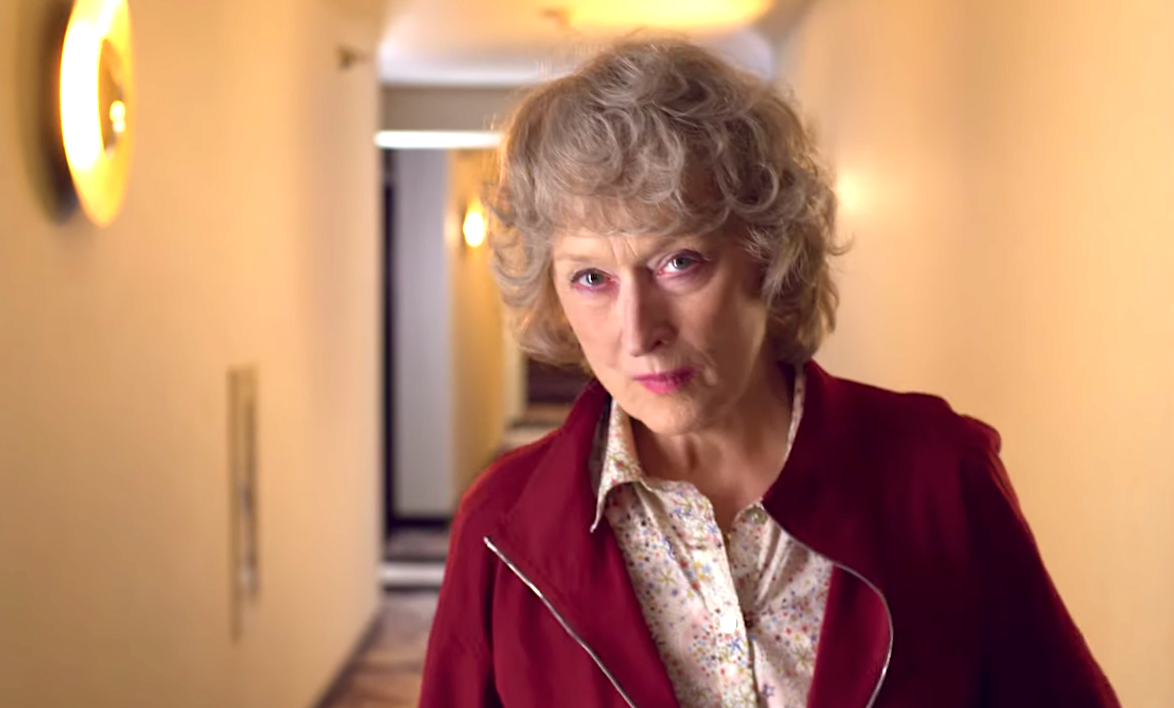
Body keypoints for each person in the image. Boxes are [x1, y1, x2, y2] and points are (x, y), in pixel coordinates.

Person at [418, 38, 1119, 708]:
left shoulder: (938, 473)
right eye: (591, 278)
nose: (637, 333)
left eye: (679, 263)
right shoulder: (501, 527)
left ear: (768, 256)